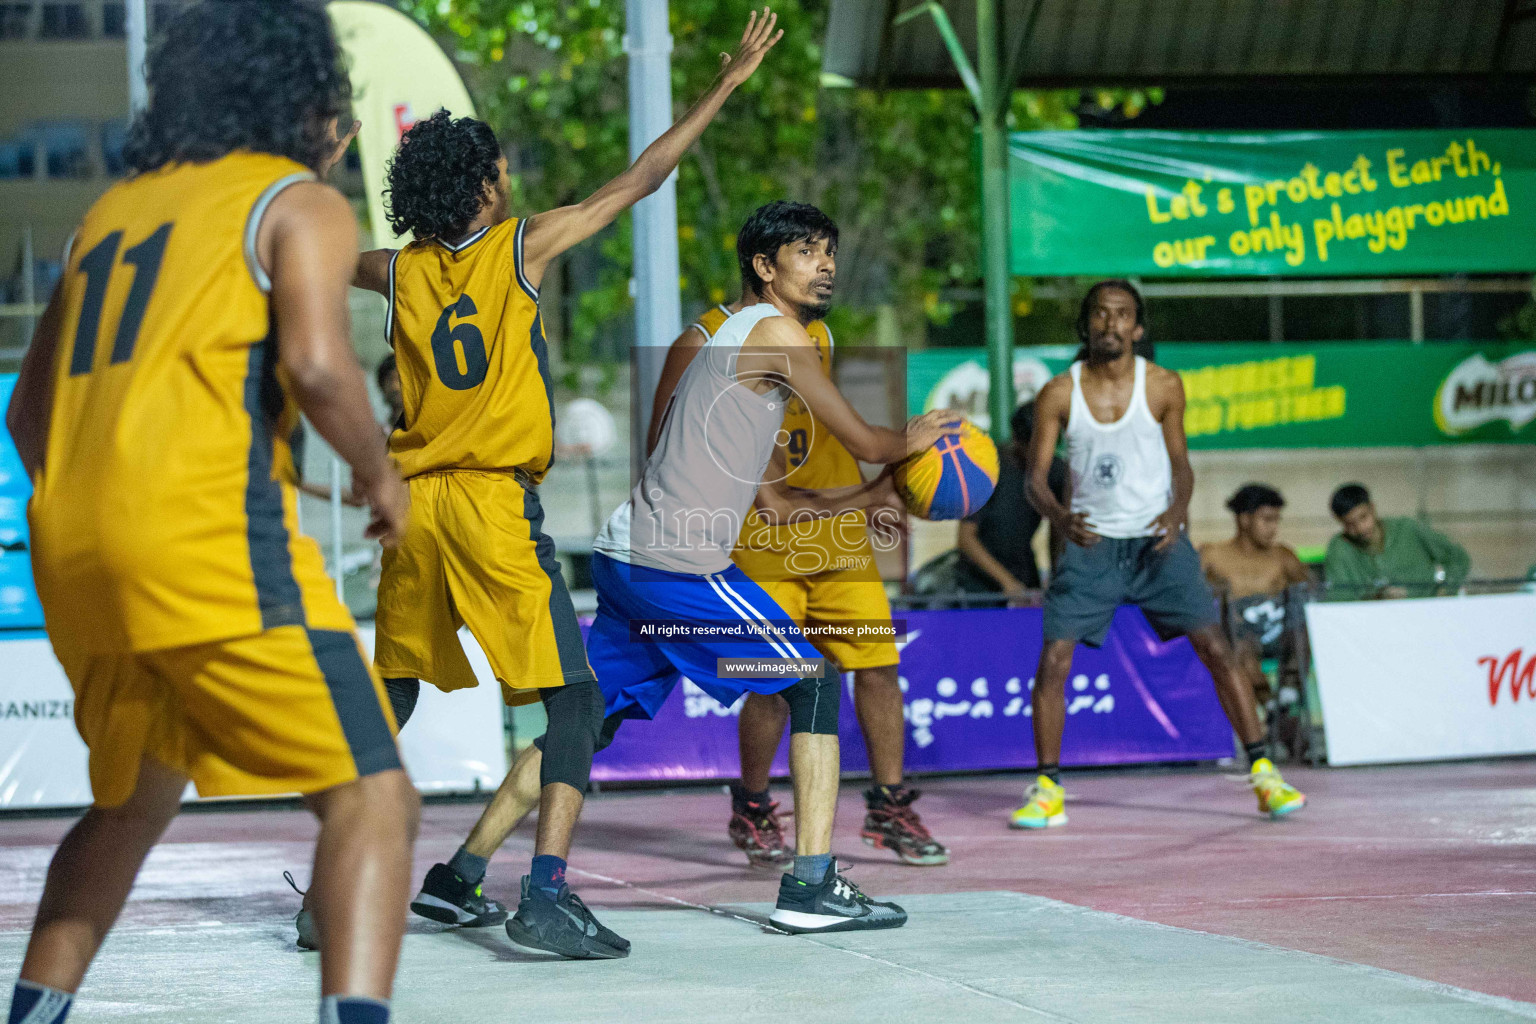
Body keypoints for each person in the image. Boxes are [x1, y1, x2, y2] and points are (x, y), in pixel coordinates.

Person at [328, 9, 784, 961]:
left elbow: (305, 249)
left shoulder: (395, 271)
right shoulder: (517, 249)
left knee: (394, 695)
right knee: (574, 706)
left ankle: (331, 893)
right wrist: (727, 85)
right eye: (500, 173)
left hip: (417, 512)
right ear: (488, 188)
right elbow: (641, 178)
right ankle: (544, 895)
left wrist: (324, 156)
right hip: (492, 507)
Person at [5, 4, 417, 1024]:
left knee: (131, 804)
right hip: (207, 541)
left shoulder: (113, 214)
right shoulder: (298, 203)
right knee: (376, 798)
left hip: (78, 556)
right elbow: (322, 369)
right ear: (306, 95)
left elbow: (26, 413)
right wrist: (382, 474)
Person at [646, 204, 946, 871]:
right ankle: (753, 803)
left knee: (877, 667)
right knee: (773, 682)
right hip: (757, 535)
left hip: (834, 532)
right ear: (764, 265)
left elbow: (830, 431)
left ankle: (889, 805)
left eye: (830, 253)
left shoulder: (817, 337)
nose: (828, 266)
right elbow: (660, 447)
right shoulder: (703, 341)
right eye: (810, 252)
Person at [1011, 280, 1306, 830]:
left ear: (1137, 328)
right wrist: (1058, 518)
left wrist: (1178, 512)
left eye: (1122, 315)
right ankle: (1048, 788)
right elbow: (1034, 481)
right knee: (1053, 660)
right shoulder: (1059, 392)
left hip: (1157, 541)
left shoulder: (1165, 386)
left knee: (1216, 648)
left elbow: (1182, 464)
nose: (1111, 323)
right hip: (1090, 543)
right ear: (1086, 325)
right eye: (1100, 314)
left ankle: (1265, 774)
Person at [1200, 484, 1311, 715]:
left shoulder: (1283, 556)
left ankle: (1289, 690)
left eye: (1277, 520)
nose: (1274, 528)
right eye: (1267, 520)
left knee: (1303, 622)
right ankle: (1271, 705)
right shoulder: (1212, 555)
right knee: (1235, 638)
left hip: (1279, 633)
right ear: (1244, 520)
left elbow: (1312, 592)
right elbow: (1187, 593)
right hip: (1238, 639)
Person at [955, 399, 1068, 597]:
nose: (1044, 456)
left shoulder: (1057, 472)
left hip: (1025, 575)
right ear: (1018, 440)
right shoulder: (988, 469)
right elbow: (966, 539)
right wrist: (1008, 584)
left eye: (1049, 446)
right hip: (979, 585)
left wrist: (1056, 578)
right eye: (1036, 448)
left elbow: (1057, 532)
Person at [1325, 483, 1470, 598]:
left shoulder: (1407, 529)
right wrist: (1376, 599)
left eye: (1363, 517)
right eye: (1350, 524)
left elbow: (1459, 558)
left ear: (1373, 508)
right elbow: (1340, 600)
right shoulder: (1339, 550)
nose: (1360, 528)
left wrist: (1445, 590)